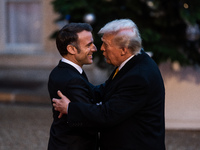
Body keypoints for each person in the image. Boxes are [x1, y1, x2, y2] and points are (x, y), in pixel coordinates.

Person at [53, 19, 165, 150]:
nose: (101, 48)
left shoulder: (139, 76)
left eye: (105, 44)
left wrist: (70, 108)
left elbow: (108, 115)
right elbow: (106, 90)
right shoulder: (135, 62)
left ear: (123, 50)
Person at [47, 23, 98, 150]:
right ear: (72, 49)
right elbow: (88, 120)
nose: (94, 48)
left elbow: (92, 93)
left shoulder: (61, 70)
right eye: (88, 45)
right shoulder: (72, 79)